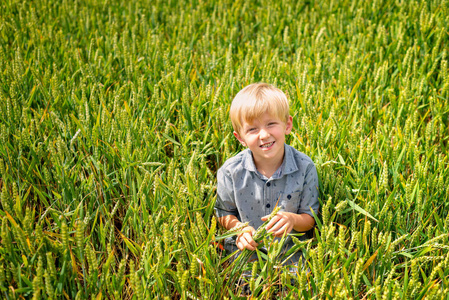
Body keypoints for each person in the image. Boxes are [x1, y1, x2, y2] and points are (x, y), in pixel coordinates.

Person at [214, 82, 319, 268]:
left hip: (290, 257)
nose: (264, 134)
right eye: (252, 129)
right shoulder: (230, 172)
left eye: (271, 124)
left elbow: (310, 219)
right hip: (245, 256)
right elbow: (223, 213)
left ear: (287, 125)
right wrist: (239, 229)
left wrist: (293, 220)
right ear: (240, 138)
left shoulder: (305, 167)